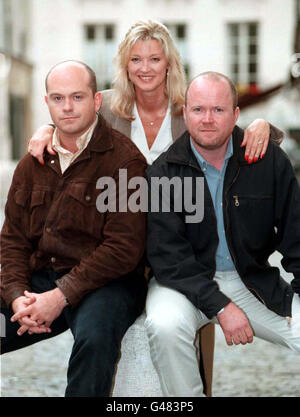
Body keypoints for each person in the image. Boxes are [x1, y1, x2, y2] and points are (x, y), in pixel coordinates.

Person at [26, 20, 284, 397]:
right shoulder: (107, 109)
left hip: (186, 249)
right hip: (116, 250)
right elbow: (67, 119)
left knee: (190, 341)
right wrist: (44, 131)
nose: (145, 67)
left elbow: (239, 136)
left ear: (169, 64)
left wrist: (263, 126)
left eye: (154, 58)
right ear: (125, 64)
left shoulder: (190, 110)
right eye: (136, 59)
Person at [145, 71, 300, 397]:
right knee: (164, 326)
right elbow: (169, 258)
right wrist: (221, 307)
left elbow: (296, 237)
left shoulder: (267, 160)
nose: (207, 119)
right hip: (182, 284)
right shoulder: (162, 172)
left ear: (236, 114)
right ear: (185, 113)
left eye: (218, 109)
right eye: (198, 109)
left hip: (250, 281)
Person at [0, 60, 148, 397]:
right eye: (58, 98)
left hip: (106, 284)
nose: (67, 107)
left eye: (77, 97)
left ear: (97, 101)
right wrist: (15, 298)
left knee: (95, 341)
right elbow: (12, 240)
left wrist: (60, 296)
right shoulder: (31, 163)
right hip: (38, 280)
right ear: (47, 103)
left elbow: (124, 248)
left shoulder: (125, 161)